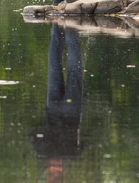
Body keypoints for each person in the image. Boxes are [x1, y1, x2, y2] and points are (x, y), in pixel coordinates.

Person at [29, 23, 84, 183]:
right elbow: (32, 134)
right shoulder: (42, 152)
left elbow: (86, 141)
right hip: (52, 109)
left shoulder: (72, 154)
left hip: (72, 111)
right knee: (54, 65)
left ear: (61, 176)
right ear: (49, 175)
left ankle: (71, 30)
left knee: (74, 69)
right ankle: (57, 27)